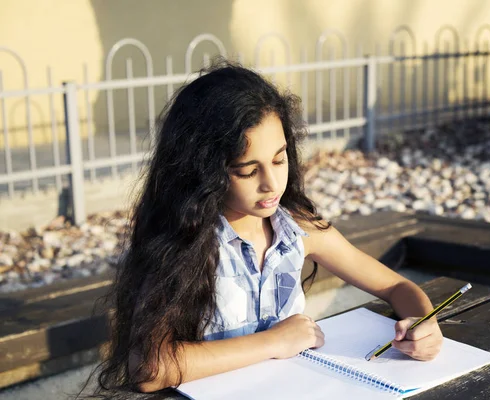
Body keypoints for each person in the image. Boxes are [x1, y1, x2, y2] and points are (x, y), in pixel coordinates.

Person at [94, 59, 443, 395]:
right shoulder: (186, 240)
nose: (271, 183)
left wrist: (423, 323)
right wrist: (274, 342)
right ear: (203, 171)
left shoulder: (297, 228)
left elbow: (396, 285)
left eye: (280, 159)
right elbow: (151, 367)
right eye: (247, 170)